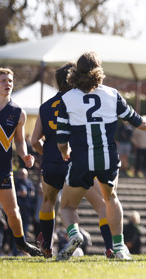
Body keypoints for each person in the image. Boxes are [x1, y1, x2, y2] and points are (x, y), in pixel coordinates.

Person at [54, 51, 146, 261]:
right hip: (108, 158)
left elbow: (61, 139)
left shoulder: (67, 99)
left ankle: (74, 235)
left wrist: (64, 151)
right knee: (111, 198)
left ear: (77, 72)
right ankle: (120, 248)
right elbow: (140, 122)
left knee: (67, 206)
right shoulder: (112, 95)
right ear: (99, 71)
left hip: (81, 160)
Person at [30, 62, 115, 258]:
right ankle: (110, 247)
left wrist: (48, 154)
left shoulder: (44, 107)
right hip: (76, 162)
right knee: (102, 204)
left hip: (50, 163)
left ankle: (47, 248)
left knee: (48, 202)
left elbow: (34, 141)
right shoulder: (79, 103)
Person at [0, 67, 41, 256]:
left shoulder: (18, 112)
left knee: (13, 212)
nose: (8, 84)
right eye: (4, 81)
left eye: (10, 81)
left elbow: (20, 141)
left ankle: (21, 244)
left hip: (3, 170)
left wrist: (24, 156)